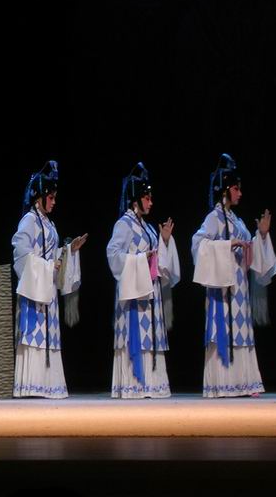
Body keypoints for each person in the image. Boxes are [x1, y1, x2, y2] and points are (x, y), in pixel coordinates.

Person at [191, 154, 276, 398]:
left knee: (241, 331)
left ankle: (244, 381)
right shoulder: (214, 218)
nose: (240, 193)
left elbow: (251, 251)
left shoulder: (237, 221)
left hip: (239, 287)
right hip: (222, 288)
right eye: (236, 189)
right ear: (225, 190)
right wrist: (227, 245)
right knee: (225, 330)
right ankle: (222, 383)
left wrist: (261, 236)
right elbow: (198, 244)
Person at [12, 161, 87, 398]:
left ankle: (48, 386)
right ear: (40, 196)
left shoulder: (49, 224)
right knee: (35, 336)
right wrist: (45, 266)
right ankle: (32, 386)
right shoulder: (29, 220)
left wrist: (69, 251)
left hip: (48, 291)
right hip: (34, 292)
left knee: (49, 336)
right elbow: (21, 254)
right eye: (51, 197)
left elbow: (53, 256)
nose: (54, 202)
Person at [106, 163, 180, 398]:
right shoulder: (124, 224)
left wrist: (164, 241)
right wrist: (139, 259)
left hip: (149, 293)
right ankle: (133, 385)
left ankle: (151, 385)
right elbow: (113, 255)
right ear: (136, 199)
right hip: (134, 296)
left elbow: (158, 260)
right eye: (147, 198)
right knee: (137, 335)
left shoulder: (147, 227)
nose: (151, 203)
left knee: (151, 336)